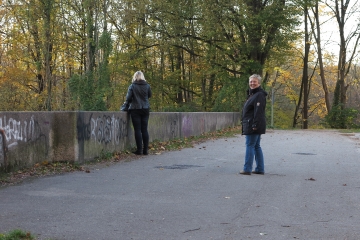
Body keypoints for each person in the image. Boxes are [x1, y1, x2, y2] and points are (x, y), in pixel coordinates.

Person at [239, 74, 268, 175]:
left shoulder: (259, 95)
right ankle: (260, 168)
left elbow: (258, 111)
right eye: (251, 81)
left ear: (259, 83)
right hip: (252, 123)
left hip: (253, 124)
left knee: (250, 145)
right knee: (256, 146)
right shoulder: (253, 95)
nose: (252, 83)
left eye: (254, 81)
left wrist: (255, 125)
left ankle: (247, 169)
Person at [122, 71, 152, 155]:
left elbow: (128, 98)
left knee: (138, 130)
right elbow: (149, 95)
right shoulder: (147, 86)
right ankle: (145, 150)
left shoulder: (132, 86)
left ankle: (139, 150)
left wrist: (127, 104)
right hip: (145, 108)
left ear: (135, 77)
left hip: (135, 109)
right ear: (143, 77)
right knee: (144, 129)